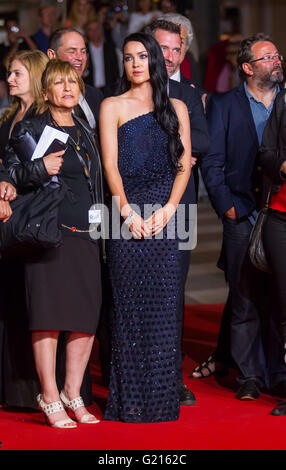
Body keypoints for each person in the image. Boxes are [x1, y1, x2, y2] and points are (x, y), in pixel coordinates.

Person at [4, 59, 103, 428]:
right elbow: (10, 172)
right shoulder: (30, 127)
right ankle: (48, 394)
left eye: (73, 82)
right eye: (59, 83)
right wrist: (39, 168)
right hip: (49, 233)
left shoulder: (85, 128)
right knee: (48, 318)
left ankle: (72, 392)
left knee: (84, 319)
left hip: (87, 234)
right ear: (46, 92)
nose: (67, 89)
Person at [100, 32, 191, 422]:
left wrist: (170, 208)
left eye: (141, 56)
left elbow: (184, 165)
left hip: (166, 217)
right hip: (125, 215)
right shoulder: (111, 105)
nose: (134, 64)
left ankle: (161, 398)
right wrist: (126, 213)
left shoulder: (177, 107)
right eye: (127, 58)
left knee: (164, 308)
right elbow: (110, 166)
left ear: (154, 60)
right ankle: (130, 400)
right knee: (127, 309)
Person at [197, 33, 286, 400]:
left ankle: (277, 373)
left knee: (280, 298)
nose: (276, 61)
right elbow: (212, 161)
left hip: (280, 210)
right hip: (243, 211)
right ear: (248, 68)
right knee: (245, 296)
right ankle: (248, 374)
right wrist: (227, 207)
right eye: (267, 57)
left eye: (277, 55)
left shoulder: (285, 100)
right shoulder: (225, 104)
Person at [145, 18, 209, 406]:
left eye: (175, 49)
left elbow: (203, 140)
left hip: (180, 206)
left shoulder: (190, 93)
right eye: (162, 47)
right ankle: (132, 369)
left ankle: (171, 376)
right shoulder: (119, 92)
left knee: (174, 293)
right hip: (134, 206)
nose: (169, 56)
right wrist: (178, 148)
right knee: (135, 292)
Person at [0, 50, 49, 409]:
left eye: (16, 73)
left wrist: (10, 184)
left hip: (34, 219)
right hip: (6, 218)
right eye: (8, 73)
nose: (10, 79)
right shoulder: (7, 117)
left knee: (35, 304)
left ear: (33, 75)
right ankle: (12, 388)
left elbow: (47, 170)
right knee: (10, 301)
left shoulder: (43, 117)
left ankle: (34, 389)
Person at [258, 88, 286, 415]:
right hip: (280, 217)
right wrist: (282, 166)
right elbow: (265, 152)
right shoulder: (283, 101)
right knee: (284, 304)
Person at [47, 27, 103, 132]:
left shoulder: (95, 95)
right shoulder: (43, 99)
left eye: (83, 52)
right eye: (72, 52)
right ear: (52, 55)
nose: (80, 57)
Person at [84, 19, 120, 93]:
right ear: (86, 32)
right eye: (90, 29)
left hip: (108, 89)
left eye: (97, 28)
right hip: (89, 90)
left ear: (101, 30)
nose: (94, 32)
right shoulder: (83, 50)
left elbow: (115, 71)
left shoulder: (110, 49)